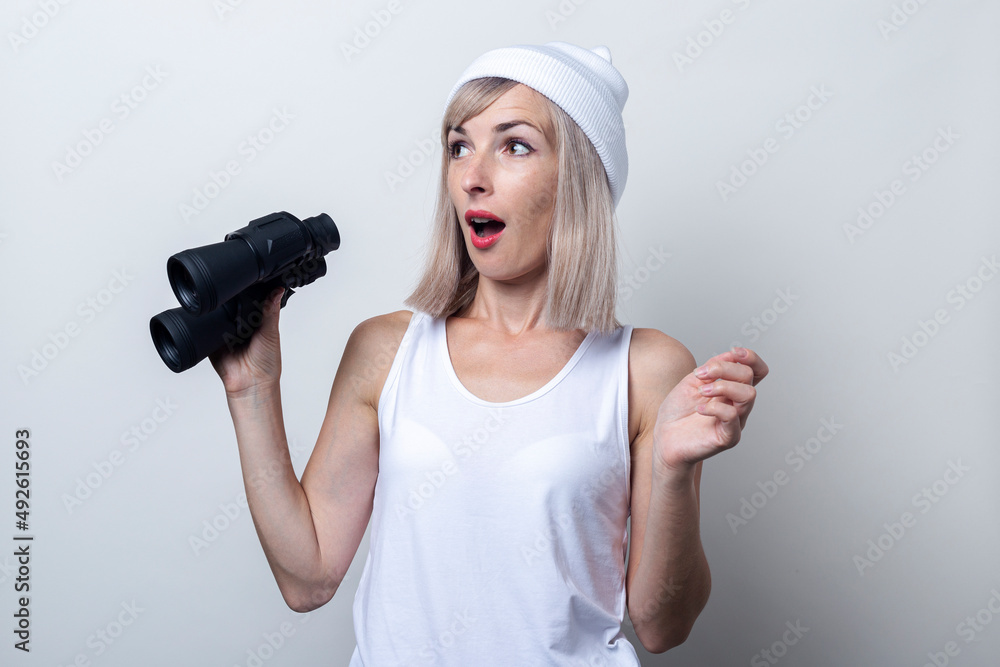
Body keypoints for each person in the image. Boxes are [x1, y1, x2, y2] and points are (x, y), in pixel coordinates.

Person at [211, 41, 768, 665]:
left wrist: (674, 470)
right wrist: (251, 388)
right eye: (459, 145)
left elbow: (664, 626)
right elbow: (306, 577)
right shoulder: (386, 349)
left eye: (515, 145)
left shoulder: (646, 369)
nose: (473, 174)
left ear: (579, 180)